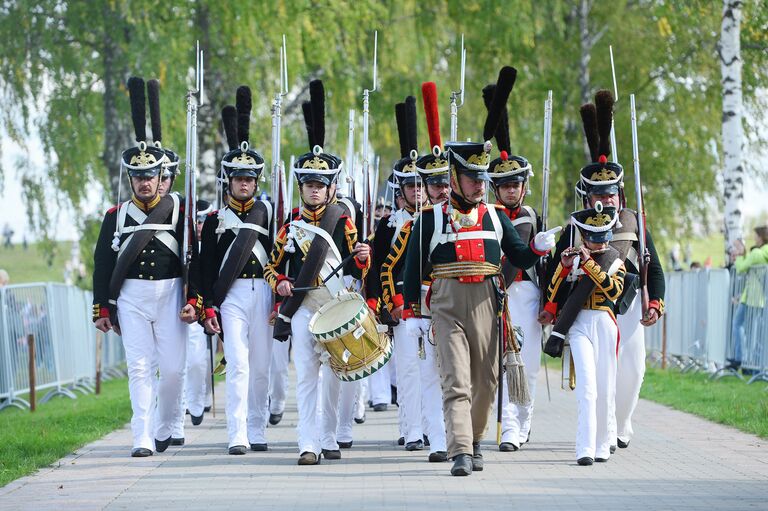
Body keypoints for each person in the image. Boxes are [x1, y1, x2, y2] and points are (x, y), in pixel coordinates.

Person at [401, 67, 558, 476]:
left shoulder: (494, 217)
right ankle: (459, 451)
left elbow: (520, 257)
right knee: (456, 381)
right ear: (454, 176)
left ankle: (473, 442)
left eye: (481, 178)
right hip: (448, 303)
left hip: (490, 303)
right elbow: (411, 269)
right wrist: (412, 310)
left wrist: (539, 249)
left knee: (486, 384)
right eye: (471, 178)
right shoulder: (431, 219)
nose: (478, 185)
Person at [541, 90, 665, 452]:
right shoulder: (576, 229)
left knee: (634, 372)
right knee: (601, 378)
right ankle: (604, 434)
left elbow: (652, 267)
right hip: (591, 309)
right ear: (587, 196)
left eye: (610, 194)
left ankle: (622, 423)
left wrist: (654, 301)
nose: (604, 200)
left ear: (619, 195)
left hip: (626, 305)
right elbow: (554, 273)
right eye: (597, 194)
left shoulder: (634, 222)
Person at [264, 79, 371, 466]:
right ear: (300, 186)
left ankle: (328, 435)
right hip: (303, 308)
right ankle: (307, 442)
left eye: (320, 185)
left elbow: (361, 261)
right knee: (307, 376)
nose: (314, 190)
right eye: (308, 184)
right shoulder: (288, 226)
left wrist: (362, 254)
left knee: (335, 376)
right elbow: (270, 268)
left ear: (331, 187)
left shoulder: (343, 219)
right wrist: (282, 282)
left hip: (336, 309)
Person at [92, 76, 199, 457]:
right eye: (137, 177)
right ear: (130, 178)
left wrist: (196, 300)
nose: (143, 183)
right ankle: (141, 436)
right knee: (139, 367)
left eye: (149, 176)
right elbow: (103, 262)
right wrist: (103, 307)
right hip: (132, 296)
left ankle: (168, 424)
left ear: (161, 177)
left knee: (172, 369)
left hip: (170, 294)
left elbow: (194, 260)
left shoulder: (181, 210)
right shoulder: (116, 216)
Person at [199, 87, 274, 455]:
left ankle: (258, 428)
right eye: (238, 178)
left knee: (261, 367)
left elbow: (278, 255)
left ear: (257, 181)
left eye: (250, 179)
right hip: (230, 297)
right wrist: (207, 305)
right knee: (239, 365)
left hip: (263, 291)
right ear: (228, 180)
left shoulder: (269, 214)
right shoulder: (215, 219)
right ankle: (237, 433)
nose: (244, 184)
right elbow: (204, 266)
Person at [482, 77, 544, 453]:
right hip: (492, 294)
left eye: (514, 185)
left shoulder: (533, 215)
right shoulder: (486, 215)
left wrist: (552, 302)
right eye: (503, 186)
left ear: (522, 185)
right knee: (497, 364)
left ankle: (522, 425)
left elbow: (545, 264)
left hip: (527, 293)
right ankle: (505, 426)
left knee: (528, 363)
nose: (509, 190)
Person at [544, 204, 625, 465]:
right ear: (583, 237)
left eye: (603, 238)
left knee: (605, 386)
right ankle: (584, 448)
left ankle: (603, 444)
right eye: (593, 238)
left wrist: (590, 265)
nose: (599, 244)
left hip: (604, 322)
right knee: (587, 388)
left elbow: (614, 292)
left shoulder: (615, 260)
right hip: (578, 325)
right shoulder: (574, 259)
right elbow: (552, 295)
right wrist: (564, 267)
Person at [728, 225, 768, 372]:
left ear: (761, 237)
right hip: (755, 298)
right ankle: (749, 364)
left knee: (741, 327)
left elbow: (741, 267)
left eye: (756, 236)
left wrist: (738, 257)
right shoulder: (762, 253)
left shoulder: (757, 253)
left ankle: (742, 360)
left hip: (752, 297)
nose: (754, 238)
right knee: (754, 333)